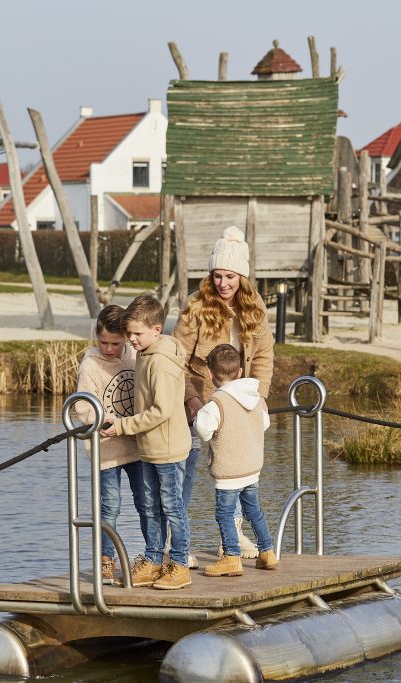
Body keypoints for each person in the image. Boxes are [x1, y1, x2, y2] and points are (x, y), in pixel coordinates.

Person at [173, 225, 275, 561]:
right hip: (200, 403)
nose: (223, 283)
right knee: (186, 469)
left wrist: (260, 396)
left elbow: (263, 354)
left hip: (240, 403)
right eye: (217, 275)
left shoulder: (254, 307)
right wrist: (190, 399)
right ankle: (178, 544)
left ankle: (231, 538)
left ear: (241, 277)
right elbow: (177, 358)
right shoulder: (195, 307)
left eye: (230, 276)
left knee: (236, 469)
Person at [102, 293, 193, 590]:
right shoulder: (145, 354)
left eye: (136, 334)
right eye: (128, 333)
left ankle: (178, 564)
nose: (131, 339)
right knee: (152, 507)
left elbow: (162, 410)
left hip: (167, 448)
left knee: (171, 507)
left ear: (156, 329)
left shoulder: (161, 363)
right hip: (150, 448)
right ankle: (153, 560)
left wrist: (122, 427)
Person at [74, 304, 155, 586]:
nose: (109, 348)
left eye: (115, 343)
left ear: (126, 338)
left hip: (136, 443)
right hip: (106, 447)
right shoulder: (90, 364)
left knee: (146, 502)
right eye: (103, 342)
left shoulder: (135, 355)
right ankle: (106, 561)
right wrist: (104, 420)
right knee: (110, 506)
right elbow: (83, 407)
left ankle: (152, 557)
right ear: (97, 336)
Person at [195, 344, 279, 576]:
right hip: (251, 468)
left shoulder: (216, 404)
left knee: (224, 514)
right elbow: (265, 424)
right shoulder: (254, 399)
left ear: (211, 375)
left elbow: (203, 430)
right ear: (240, 371)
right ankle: (267, 552)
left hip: (229, 472)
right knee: (254, 511)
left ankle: (231, 557)